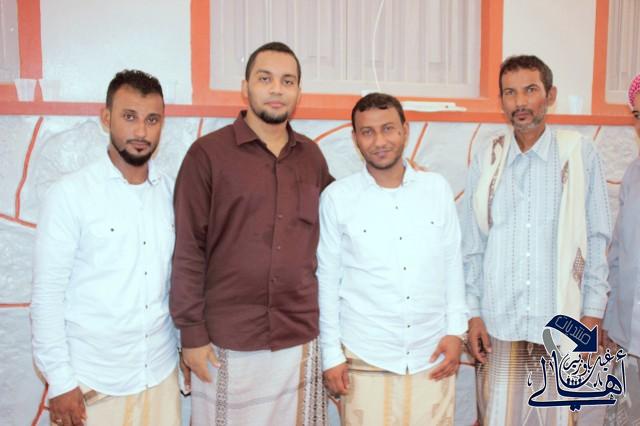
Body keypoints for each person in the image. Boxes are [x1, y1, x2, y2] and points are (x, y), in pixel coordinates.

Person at [170, 41, 332, 425]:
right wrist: (191, 334)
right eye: (265, 78)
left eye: (287, 81)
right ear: (245, 88)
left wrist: (403, 178)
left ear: (299, 92)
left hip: (299, 337)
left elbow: (344, 217)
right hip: (226, 340)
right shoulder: (207, 155)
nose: (277, 89)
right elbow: (188, 248)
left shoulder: (311, 157)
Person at [460, 55, 612, 425]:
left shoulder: (578, 154)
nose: (520, 102)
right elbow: (473, 246)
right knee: (497, 418)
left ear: (550, 95)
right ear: (501, 101)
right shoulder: (488, 159)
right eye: (510, 93)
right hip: (499, 323)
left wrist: (592, 313)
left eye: (530, 90)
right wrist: (473, 313)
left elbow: (596, 238)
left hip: (561, 323)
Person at [31, 70, 181, 426]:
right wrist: (61, 382)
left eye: (152, 120)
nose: (141, 132)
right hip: (92, 385)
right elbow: (47, 295)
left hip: (160, 376)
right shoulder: (70, 195)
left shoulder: (172, 193)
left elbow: (176, 283)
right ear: (106, 118)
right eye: (129, 117)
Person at [318, 93, 468, 425]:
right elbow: (327, 281)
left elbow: (451, 262)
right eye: (367, 132)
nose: (379, 141)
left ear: (405, 130)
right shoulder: (338, 199)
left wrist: (457, 331)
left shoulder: (436, 189)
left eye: (388, 129)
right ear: (355, 138)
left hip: (432, 354)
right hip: (365, 355)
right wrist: (330, 354)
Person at [603, 73, 640, 425]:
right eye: (638, 115)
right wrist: (611, 324)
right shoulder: (633, 174)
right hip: (630, 341)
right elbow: (618, 255)